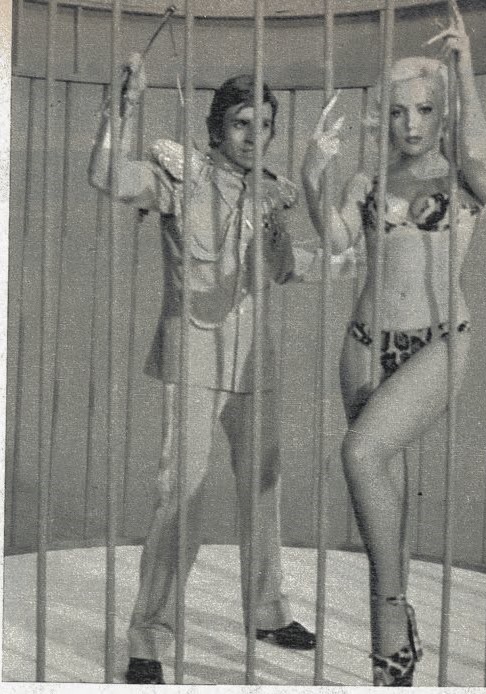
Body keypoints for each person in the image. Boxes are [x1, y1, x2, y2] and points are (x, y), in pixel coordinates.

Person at [88, 58, 316, 685]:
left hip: (255, 362)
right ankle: (148, 639)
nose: (253, 136)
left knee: (263, 488)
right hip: (192, 355)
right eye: (242, 123)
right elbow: (106, 175)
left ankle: (267, 613)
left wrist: (287, 230)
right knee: (179, 496)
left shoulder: (271, 190)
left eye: (264, 125)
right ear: (217, 128)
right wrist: (122, 108)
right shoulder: (178, 180)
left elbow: (279, 270)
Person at [301, 1, 486, 686]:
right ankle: (397, 639)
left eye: (423, 111)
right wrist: (312, 174)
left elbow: (482, 160)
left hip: (437, 342)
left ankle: (389, 619)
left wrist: (462, 68)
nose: (409, 124)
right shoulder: (367, 183)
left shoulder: (463, 181)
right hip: (362, 343)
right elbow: (333, 240)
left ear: (442, 115)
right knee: (380, 483)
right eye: (395, 112)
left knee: (359, 454)